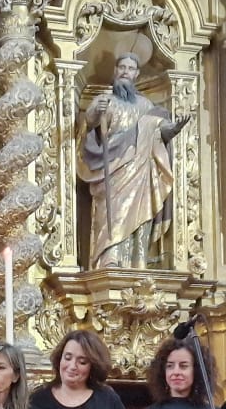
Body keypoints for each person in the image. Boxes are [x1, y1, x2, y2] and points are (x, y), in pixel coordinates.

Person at [77, 51, 185, 271]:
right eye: (121, 67)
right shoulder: (105, 100)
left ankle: (137, 261)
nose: (125, 71)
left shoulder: (145, 105)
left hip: (140, 168)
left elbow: (157, 129)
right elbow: (89, 122)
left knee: (139, 212)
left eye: (130, 68)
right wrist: (95, 112)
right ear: (116, 71)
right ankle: (109, 259)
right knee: (112, 213)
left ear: (136, 74)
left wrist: (171, 130)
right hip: (112, 167)